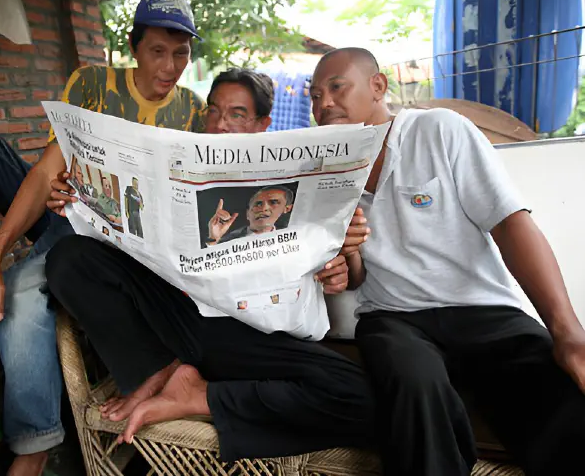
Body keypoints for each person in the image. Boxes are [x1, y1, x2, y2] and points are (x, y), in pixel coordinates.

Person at [0, 0, 205, 474]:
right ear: (134, 47)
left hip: (106, 245)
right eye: (158, 50)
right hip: (62, 212)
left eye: (181, 53)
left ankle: (34, 446)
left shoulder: (192, 113)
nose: (170, 66)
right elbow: (46, 171)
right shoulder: (93, 84)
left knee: (27, 295)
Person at [44, 68, 376, 462]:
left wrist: (339, 264)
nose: (221, 124)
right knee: (69, 258)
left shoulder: (299, 176)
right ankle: (160, 372)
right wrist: (78, 199)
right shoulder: (178, 167)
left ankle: (199, 396)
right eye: (214, 111)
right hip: (184, 319)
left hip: (258, 338)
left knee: (366, 396)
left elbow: (346, 274)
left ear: (261, 124)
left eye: (237, 114)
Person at [310, 47, 585, 476]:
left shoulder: (438, 130)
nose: (323, 103)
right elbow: (356, 279)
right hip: (393, 316)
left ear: (378, 86)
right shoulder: (326, 171)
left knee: (555, 390)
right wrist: (347, 254)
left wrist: (567, 331)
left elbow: (510, 224)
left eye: (336, 87)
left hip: (481, 309)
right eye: (313, 95)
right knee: (412, 381)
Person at [205, 185, 294, 246]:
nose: (264, 208)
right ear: (248, 214)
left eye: (273, 202)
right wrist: (214, 239)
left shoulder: (293, 239)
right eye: (258, 204)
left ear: (287, 208)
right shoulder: (228, 240)